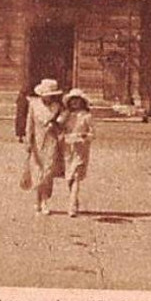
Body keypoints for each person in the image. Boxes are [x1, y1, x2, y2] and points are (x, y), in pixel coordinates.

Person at [23, 78, 66, 216]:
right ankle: (37, 200)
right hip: (37, 141)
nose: (47, 97)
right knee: (37, 172)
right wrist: (28, 141)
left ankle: (45, 201)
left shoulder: (57, 107)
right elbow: (29, 124)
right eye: (45, 95)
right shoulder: (34, 105)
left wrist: (56, 125)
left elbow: (63, 124)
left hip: (51, 142)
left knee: (48, 173)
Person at [61, 88, 94, 218]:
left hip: (81, 149)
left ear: (82, 102)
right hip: (68, 148)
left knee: (76, 176)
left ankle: (72, 205)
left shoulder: (87, 116)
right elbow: (59, 127)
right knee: (69, 177)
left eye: (77, 100)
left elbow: (92, 133)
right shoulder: (67, 115)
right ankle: (74, 199)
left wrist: (85, 136)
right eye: (72, 100)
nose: (75, 103)